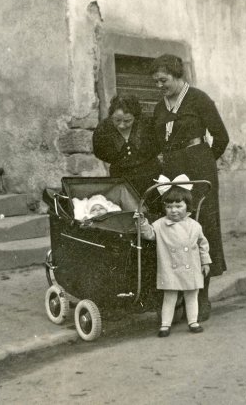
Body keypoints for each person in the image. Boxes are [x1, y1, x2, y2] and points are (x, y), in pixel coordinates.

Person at [150, 53, 229, 322]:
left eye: (164, 80)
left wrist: (204, 161)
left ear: (177, 75)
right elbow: (156, 141)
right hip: (172, 172)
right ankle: (181, 294)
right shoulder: (160, 108)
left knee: (199, 229)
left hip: (198, 172)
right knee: (175, 230)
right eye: (156, 81)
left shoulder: (198, 99)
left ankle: (201, 296)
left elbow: (221, 137)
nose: (159, 85)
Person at [137, 181, 211, 337]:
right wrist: (142, 222)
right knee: (169, 297)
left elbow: (203, 244)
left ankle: (193, 321)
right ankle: (165, 324)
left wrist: (205, 262)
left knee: (192, 295)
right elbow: (149, 234)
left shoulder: (194, 226)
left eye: (178, 206)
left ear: (188, 207)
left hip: (191, 266)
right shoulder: (159, 225)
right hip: (170, 266)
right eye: (169, 207)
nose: (173, 210)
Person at [92, 94, 160, 197]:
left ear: (135, 117)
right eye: (117, 120)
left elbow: (157, 146)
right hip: (121, 180)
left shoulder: (147, 125)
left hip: (151, 177)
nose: (121, 125)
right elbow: (100, 152)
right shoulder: (103, 129)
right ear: (111, 116)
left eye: (127, 121)